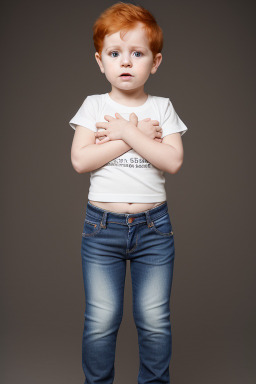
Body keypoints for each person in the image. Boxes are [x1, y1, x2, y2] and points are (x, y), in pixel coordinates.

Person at [68, 2, 188, 383]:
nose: (125, 62)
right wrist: (133, 136)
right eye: (115, 53)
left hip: (154, 230)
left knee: (154, 321)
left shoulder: (163, 108)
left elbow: (172, 162)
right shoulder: (94, 106)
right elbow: (80, 160)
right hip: (102, 229)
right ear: (100, 61)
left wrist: (125, 132)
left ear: (154, 62)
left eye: (137, 54)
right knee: (101, 320)